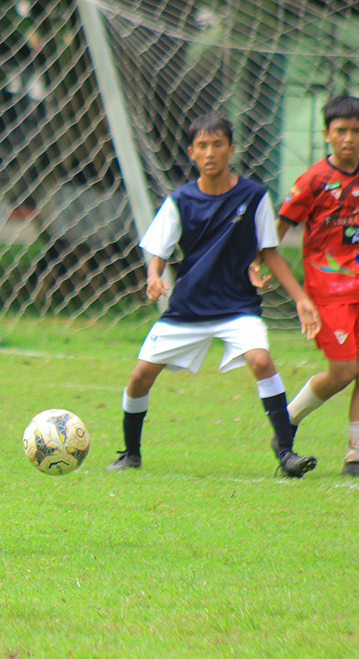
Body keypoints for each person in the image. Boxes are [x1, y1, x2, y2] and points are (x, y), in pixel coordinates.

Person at [107, 114, 321, 477]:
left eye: (217, 144)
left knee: (261, 361)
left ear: (231, 149)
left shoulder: (253, 197)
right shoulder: (180, 200)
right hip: (188, 308)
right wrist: (154, 276)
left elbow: (269, 251)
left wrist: (301, 299)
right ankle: (130, 453)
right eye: (202, 146)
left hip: (237, 306)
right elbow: (158, 250)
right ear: (191, 152)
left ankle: (286, 454)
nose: (210, 152)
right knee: (140, 377)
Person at [276, 94, 359, 476]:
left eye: (356, 131)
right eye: (341, 131)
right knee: (343, 372)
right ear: (326, 134)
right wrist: (258, 265)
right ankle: (285, 422)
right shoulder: (314, 180)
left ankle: (355, 456)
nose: (349, 139)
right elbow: (276, 229)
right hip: (329, 292)